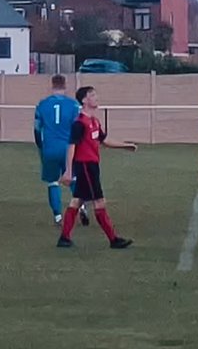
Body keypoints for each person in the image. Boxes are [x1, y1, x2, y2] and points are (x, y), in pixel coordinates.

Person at [56, 86, 135, 249]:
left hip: (92, 166)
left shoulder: (94, 121)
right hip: (85, 166)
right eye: (92, 95)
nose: (96, 97)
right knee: (99, 201)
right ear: (84, 101)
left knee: (77, 200)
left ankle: (64, 238)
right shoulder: (80, 123)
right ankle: (113, 240)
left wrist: (125, 146)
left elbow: (104, 140)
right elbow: (71, 146)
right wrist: (69, 171)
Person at [33, 75, 88, 226]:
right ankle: (81, 206)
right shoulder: (74, 106)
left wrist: (40, 146)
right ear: (65, 86)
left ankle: (58, 216)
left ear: (52, 86)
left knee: (52, 182)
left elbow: (37, 130)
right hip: (68, 148)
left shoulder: (42, 105)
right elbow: (79, 128)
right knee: (73, 178)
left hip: (49, 149)